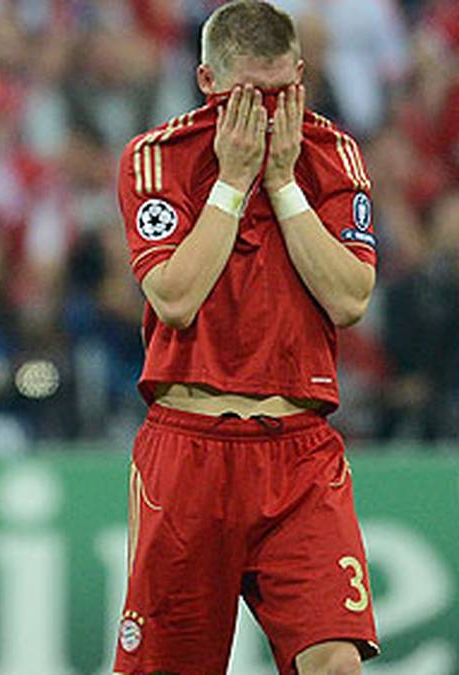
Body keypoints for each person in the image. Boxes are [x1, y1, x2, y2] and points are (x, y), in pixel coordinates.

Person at [113, 2, 378, 674]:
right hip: (189, 450)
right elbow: (173, 296)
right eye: (247, 97)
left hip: (299, 456)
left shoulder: (330, 154)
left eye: (282, 92)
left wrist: (285, 185)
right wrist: (232, 183)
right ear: (207, 81)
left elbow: (349, 297)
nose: (266, 114)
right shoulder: (159, 158)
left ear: (302, 76)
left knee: (336, 664)